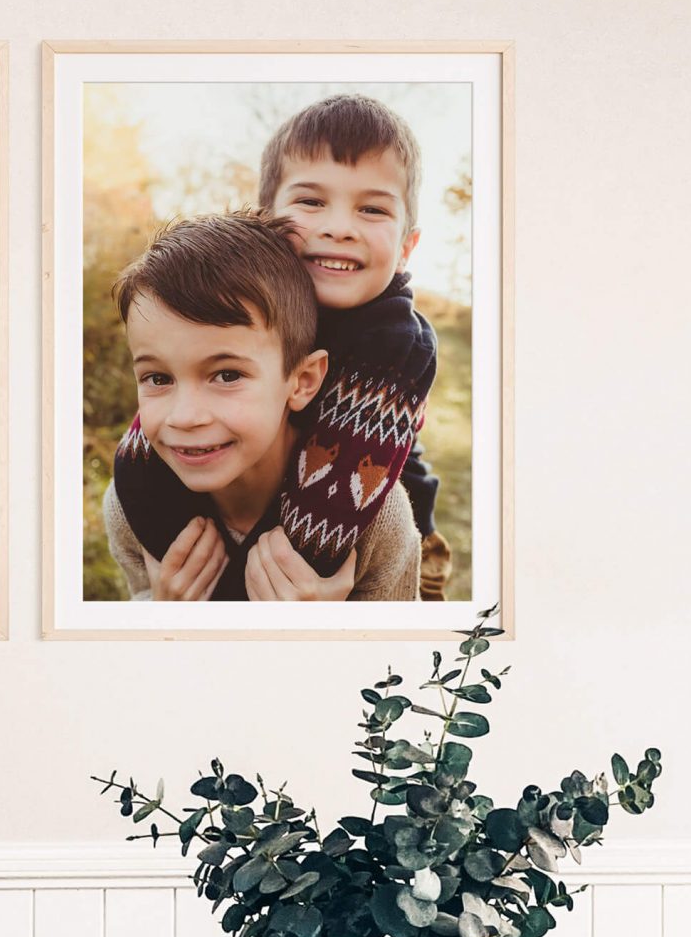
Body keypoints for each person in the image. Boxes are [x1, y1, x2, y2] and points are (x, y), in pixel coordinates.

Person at [103, 211, 420, 602]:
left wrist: (330, 629)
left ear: (302, 381)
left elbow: (402, 652)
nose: (183, 417)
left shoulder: (375, 517)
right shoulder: (130, 505)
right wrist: (162, 614)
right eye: (158, 379)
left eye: (227, 375)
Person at [257, 94, 446, 596]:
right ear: (264, 219)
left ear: (407, 246)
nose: (339, 228)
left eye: (372, 208)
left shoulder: (398, 345)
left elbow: (320, 532)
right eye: (311, 201)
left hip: (381, 538)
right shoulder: (247, 304)